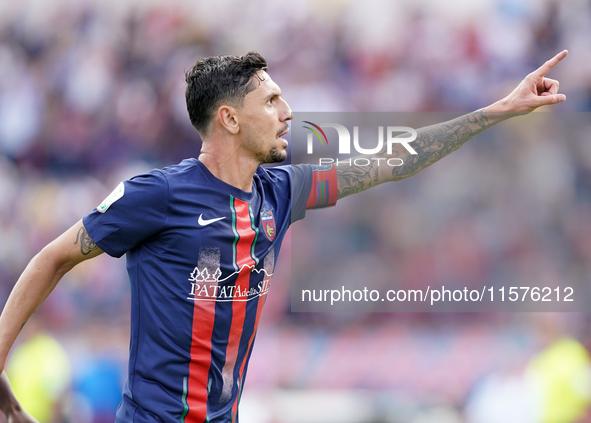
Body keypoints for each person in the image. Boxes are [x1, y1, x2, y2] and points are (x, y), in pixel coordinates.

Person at [0, 49, 568, 423]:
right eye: (271, 101)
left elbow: (396, 160)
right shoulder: (158, 195)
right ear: (228, 119)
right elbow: (52, 258)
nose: (288, 112)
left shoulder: (281, 191)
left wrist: (494, 111)